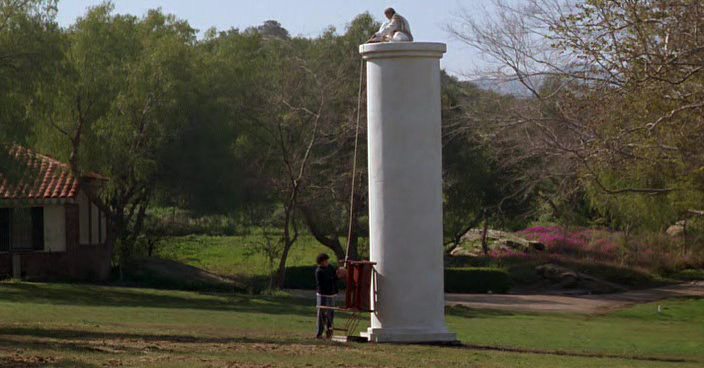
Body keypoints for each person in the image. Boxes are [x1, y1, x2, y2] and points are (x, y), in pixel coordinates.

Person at [315, 253, 340, 339]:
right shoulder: (319, 271)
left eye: (327, 260)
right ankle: (319, 333)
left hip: (331, 295)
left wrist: (339, 274)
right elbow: (325, 283)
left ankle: (329, 332)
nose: (327, 262)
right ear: (321, 262)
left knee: (331, 314)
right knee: (322, 314)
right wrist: (334, 277)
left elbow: (335, 277)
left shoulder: (330, 267)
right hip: (323, 295)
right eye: (325, 261)